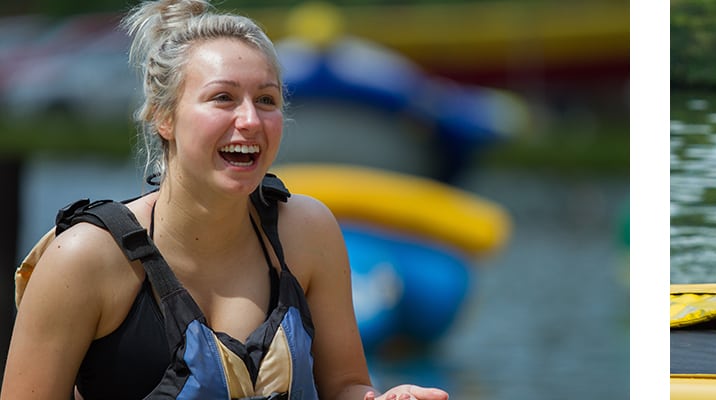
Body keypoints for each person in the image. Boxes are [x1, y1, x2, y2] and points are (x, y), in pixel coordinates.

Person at [2, 1, 449, 398]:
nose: (250, 119)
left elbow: (347, 387)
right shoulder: (84, 259)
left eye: (267, 100)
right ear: (164, 117)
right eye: (223, 98)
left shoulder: (308, 233)